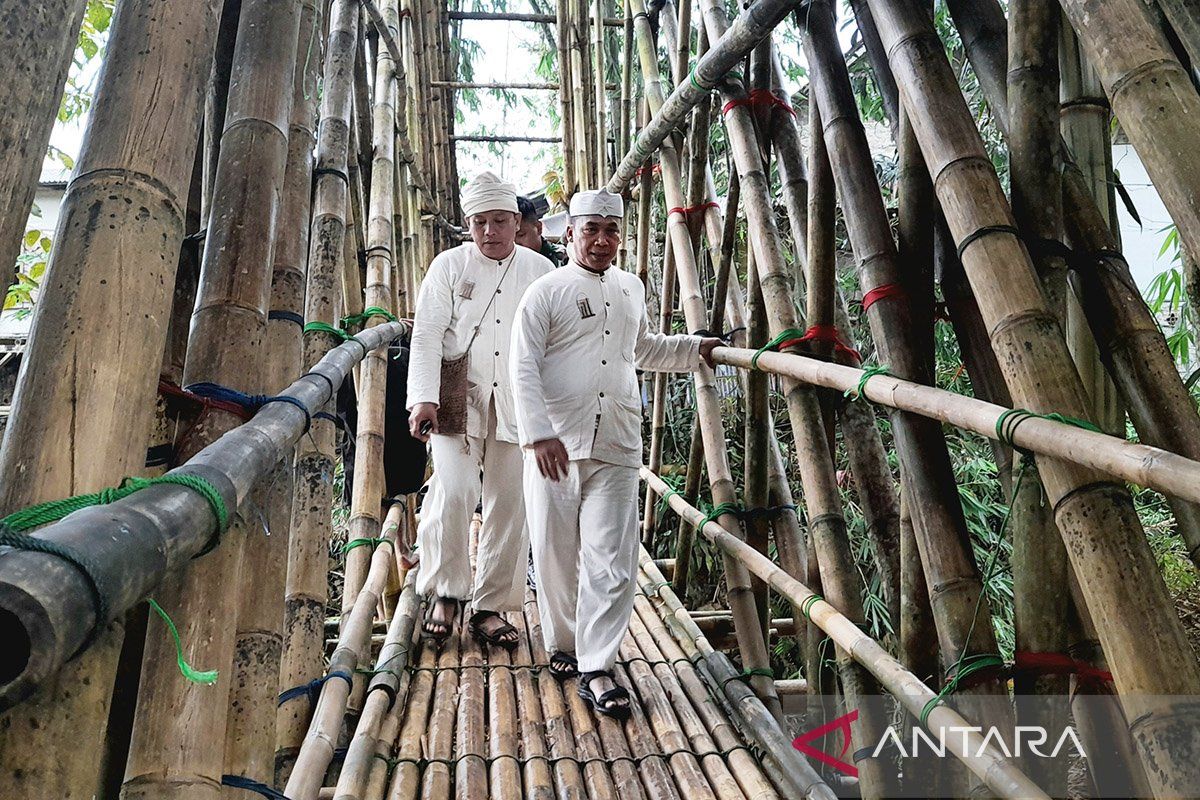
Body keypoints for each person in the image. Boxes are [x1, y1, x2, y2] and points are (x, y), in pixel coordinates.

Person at [510, 188, 720, 718]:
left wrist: (696, 349)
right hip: (556, 443)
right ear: (569, 234)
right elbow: (522, 364)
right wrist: (538, 433)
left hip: (618, 440)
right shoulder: (545, 292)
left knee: (612, 557)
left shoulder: (631, 287)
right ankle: (563, 642)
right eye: (591, 230)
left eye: (611, 231)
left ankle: (597, 665)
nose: (602, 241)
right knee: (554, 550)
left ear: (620, 237)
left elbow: (642, 347)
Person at [407, 171, 554, 650]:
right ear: (468, 224)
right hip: (456, 396)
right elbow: (427, 334)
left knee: (510, 501)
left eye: (499, 221)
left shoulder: (540, 271)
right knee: (454, 489)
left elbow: (554, 342)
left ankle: (490, 606)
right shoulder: (449, 265)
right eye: (479, 222)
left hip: (518, 400)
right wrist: (423, 397)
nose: (489, 231)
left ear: (516, 221)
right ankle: (446, 592)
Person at [515, 195, 567, 267]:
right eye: (509, 239)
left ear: (539, 228)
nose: (516, 244)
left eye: (521, 235)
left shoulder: (562, 258)